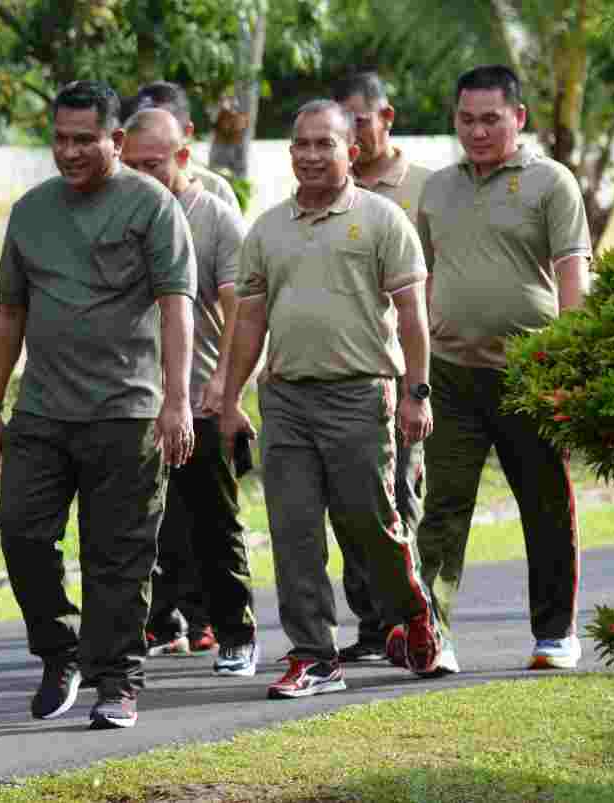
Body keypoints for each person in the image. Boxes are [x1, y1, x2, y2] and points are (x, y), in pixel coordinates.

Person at [0, 80, 197, 730]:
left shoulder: (153, 206)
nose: (69, 152)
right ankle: (59, 650)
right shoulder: (31, 211)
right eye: (60, 139)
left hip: (127, 412)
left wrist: (177, 401)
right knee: (21, 531)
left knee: (118, 555)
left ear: (116, 141)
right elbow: (8, 311)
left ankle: (118, 681)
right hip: (42, 411)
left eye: (84, 139)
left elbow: (176, 306)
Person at [219, 99, 443, 699]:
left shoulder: (382, 220)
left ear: (352, 150)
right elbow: (249, 322)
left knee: (370, 526)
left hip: (360, 397)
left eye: (326, 143)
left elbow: (412, 316)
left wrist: (417, 394)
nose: (312, 155)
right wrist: (230, 397)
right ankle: (315, 656)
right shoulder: (267, 229)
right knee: (294, 532)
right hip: (286, 400)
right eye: (302, 144)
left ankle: (413, 614)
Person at [400, 64, 591, 673]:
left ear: (519, 118)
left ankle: (554, 634)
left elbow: (573, 277)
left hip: (529, 373)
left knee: (544, 505)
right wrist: (412, 372)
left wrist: (570, 367)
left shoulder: (551, 182)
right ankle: (434, 636)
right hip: (451, 374)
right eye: (466, 119)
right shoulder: (437, 188)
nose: (477, 131)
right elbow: (421, 281)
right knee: (443, 508)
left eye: (490, 119)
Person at [119, 108, 259, 677]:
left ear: (183, 155)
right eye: (130, 165)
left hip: (199, 400)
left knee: (214, 523)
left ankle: (236, 634)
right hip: (131, 399)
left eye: (151, 164)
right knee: (138, 527)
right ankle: (144, 632)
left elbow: (240, 311)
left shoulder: (216, 219)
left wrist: (226, 388)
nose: (140, 176)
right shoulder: (117, 214)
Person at [330, 71, 434, 664]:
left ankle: (411, 623)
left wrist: (420, 385)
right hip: (344, 374)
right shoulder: (325, 190)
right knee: (350, 504)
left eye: (359, 120)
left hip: (403, 371)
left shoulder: (425, 188)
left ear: (386, 118)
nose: (349, 133)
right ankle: (373, 628)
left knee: (397, 500)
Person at [130, 81, 242, 217]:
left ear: (187, 132)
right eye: (140, 127)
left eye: (162, 130)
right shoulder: (119, 186)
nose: (146, 139)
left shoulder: (215, 190)